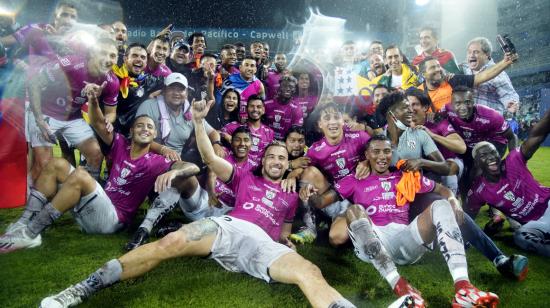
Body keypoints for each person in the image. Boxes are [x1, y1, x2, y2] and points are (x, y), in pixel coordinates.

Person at [37, 98, 365, 308]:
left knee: (308, 270)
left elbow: (286, 233)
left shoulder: (291, 196)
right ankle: (81, 289)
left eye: (283, 157)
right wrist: (197, 121)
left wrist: (291, 242)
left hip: (264, 244)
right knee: (172, 241)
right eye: (272, 156)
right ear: (263, 161)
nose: (278, 161)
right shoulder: (243, 176)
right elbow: (208, 155)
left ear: (287, 162)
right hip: (227, 228)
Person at [0, 78, 197, 253]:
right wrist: (93, 100)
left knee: (81, 175)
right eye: (140, 125)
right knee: (56, 164)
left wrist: (172, 174)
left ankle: (30, 233)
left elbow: (192, 168)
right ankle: (23, 223)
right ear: (131, 131)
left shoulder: (157, 162)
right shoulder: (120, 144)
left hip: (112, 221)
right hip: (94, 209)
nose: (145, 129)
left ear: (155, 135)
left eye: (150, 127)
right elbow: (97, 122)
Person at [306, 134, 500, 307]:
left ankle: (463, 288)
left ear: (392, 153)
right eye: (376, 151)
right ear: (366, 154)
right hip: (374, 239)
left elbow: (443, 189)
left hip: (405, 239)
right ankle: (399, 286)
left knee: (442, 205)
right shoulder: (354, 179)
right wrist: (310, 194)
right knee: (354, 210)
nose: (382, 156)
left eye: (387, 151)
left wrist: (453, 201)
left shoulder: (404, 177)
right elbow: (322, 201)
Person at [27, 38, 120, 181]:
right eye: (103, 53)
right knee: (43, 163)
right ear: (93, 53)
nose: (108, 59)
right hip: (45, 113)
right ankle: (36, 198)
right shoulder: (70, 64)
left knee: (96, 154)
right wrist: (38, 118)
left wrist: (108, 120)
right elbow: (34, 84)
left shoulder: (112, 81)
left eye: (113, 56)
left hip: (73, 118)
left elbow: (111, 112)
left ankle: (87, 194)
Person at [467, 108, 550, 257]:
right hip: (534, 225)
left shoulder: (513, 160)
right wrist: (489, 229)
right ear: (478, 163)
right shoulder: (479, 191)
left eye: (493, 152)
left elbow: (537, 135)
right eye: (484, 155)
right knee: (521, 237)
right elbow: (467, 219)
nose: (492, 157)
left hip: (548, 204)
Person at [417, 50, 518, 112]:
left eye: (438, 66)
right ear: (423, 74)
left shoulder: (453, 81)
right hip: (436, 135)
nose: (438, 69)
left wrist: (506, 62)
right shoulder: (418, 93)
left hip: (459, 134)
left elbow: (482, 76)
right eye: (432, 67)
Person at [461, 37, 520, 114]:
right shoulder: (464, 68)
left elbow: (509, 95)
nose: (471, 55)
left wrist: (512, 103)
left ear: (487, 55)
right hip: (469, 121)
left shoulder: (498, 73)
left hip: (489, 122)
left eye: (476, 52)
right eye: (469, 52)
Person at [221, 95, 275, 163]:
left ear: (263, 110)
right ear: (246, 109)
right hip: (236, 169)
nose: (255, 109)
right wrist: (226, 136)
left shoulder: (270, 132)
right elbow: (217, 133)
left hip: (258, 171)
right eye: (252, 106)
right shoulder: (236, 126)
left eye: (258, 107)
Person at [264, 76, 304, 140]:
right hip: (267, 140)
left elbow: (296, 132)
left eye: (291, 87)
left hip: (285, 143)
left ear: (294, 90)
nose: (288, 89)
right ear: (279, 88)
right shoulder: (267, 104)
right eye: (285, 86)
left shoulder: (297, 109)